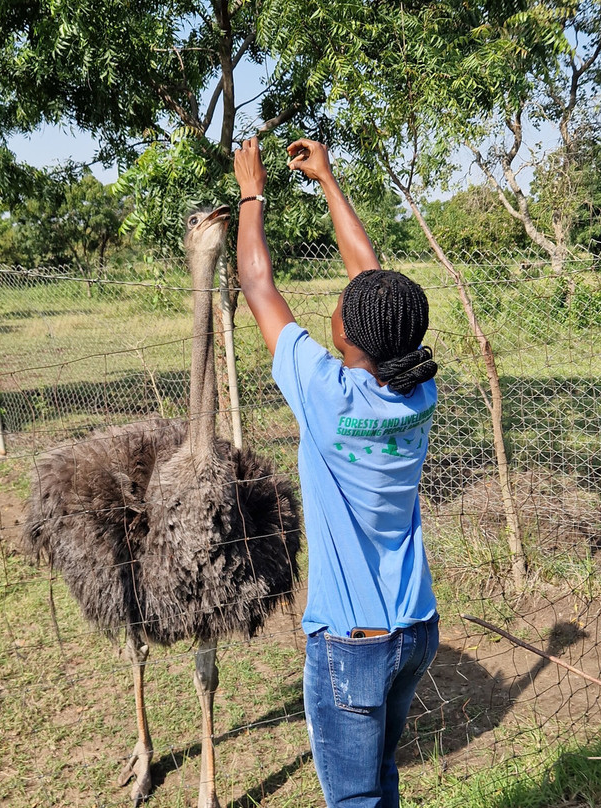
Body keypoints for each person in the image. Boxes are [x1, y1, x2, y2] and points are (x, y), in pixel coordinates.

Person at [233, 136, 440, 808]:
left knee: (354, 800)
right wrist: (327, 180)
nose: (342, 306)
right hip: (414, 629)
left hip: (353, 643)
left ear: (349, 337)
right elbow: (371, 280)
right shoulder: (417, 391)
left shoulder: (326, 397)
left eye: (347, 312)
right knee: (382, 779)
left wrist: (251, 195)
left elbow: (257, 283)